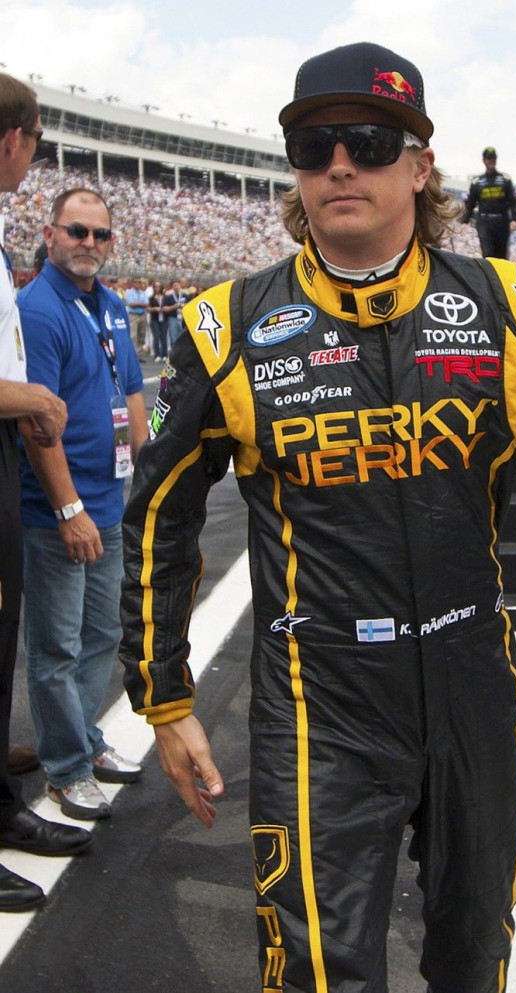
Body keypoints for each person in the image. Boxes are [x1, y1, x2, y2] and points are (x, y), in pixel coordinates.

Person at [119, 42, 516, 992]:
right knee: (319, 970)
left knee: (477, 949)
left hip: (474, 678)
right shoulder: (224, 326)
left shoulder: (506, 307)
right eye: (314, 147)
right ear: (296, 171)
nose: (341, 164)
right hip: (322, 697)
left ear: (420, 163)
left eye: (369, 139)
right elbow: (158, 519)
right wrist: (165, 694)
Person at [18, 188, 148, 821]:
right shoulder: (36, 309)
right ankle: (65, 768)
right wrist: (68, 510)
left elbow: (131, 388)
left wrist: (139, 474)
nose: (88, 243)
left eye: (100, 235)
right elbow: (33, 424)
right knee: (57, 648)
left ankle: (86, 741)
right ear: (50, 235)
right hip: (59, 514)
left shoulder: (112, 305)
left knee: (103, 633)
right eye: (77, 231)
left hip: (109, 499)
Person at [0, 72, 92, 914]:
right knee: (46, 648)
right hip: (23, 476)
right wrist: (23, 396)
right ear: (15, 140)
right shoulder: (47, 299)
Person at [460, 147, 516, 258]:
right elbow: (470, 203)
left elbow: (514, 201)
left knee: (501, 256)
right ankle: (489, 275)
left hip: (502, 221)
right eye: (488, 159)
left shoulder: (505, 179)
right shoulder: (477, 182)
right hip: (484, 222)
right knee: (487, 255)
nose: (491, 161)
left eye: (493, 158)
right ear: (484, 160)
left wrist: (514, 219)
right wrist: (464, 220)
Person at [125, 276, 149, 355]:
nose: (138, 284)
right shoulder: (129, 292)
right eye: (136, 282)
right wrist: (141, 304)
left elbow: (147, 304)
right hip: (133, 315)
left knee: (142, 335)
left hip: (142, 314)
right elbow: (131, 304)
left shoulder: (143, 293)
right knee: (133, 335)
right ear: (132, 283)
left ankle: (139, 354)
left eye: (139, 282)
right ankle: (132, 354)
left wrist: (138, 304)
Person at [147, 279, 168, 360]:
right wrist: (154, 309)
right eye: (156, 286)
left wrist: (166, 308)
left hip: (164, 319)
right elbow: (148, 308)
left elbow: (169, 306)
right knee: (156, 337)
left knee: (164, 336)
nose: (157, 288)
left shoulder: (165, 297)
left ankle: (164, 354)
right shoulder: (151, 298)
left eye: (159, 286)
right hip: (154, 319)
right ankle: (157, 354)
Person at [162, 278, 187, 345]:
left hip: (183, 318)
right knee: (174, 337)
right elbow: (164, 309)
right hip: (173, 318)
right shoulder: (168, 297)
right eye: (174, 285)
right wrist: (175, 306)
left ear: (180, 285)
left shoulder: (185, 295)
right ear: (172, 287)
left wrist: (184, 306)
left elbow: (190, 305)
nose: (176, 286)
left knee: (184, 337)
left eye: (177, 285)